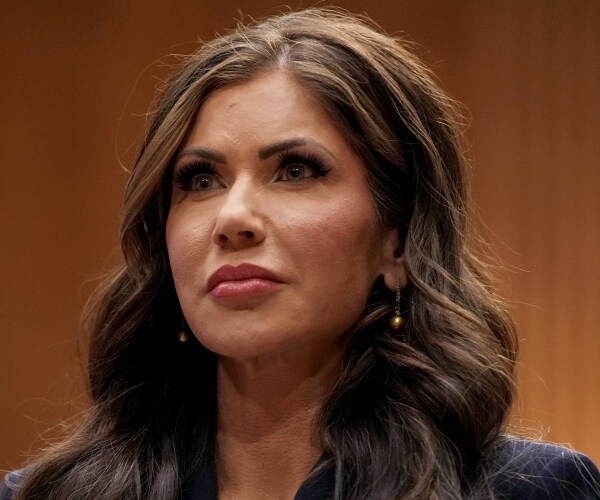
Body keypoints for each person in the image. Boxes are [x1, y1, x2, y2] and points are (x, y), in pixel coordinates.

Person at [2, 7, 599, 500]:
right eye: (201, 180)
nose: (232, 218)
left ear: (397, 241)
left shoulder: (533, 490)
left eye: (295, 170)